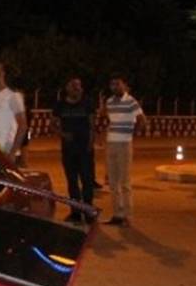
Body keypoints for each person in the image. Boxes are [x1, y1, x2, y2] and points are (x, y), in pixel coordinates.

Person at [52, 76, 97, 222]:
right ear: (67, 88)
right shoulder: (60, 105)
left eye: (79, 85)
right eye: (73, 85)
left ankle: (88, 211)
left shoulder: (87, 103)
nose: (77, 88)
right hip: (68, 149)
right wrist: (63, 134)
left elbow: (92, 125)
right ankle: (75, 212)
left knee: (87, 181)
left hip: (85, 148)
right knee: (72, 182)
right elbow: (52, 125)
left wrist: (90, 144)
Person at [102, 75, 146, 226]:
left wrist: (132, 135)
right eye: (112, 85)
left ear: (124, 86)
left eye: (118, 85)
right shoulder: (109, 102)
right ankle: (117, 214)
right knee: (113, 182)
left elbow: (142, 120)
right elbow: (107, 118)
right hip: (111, 143)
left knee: (125, 182)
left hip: (124, 144)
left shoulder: (131, 102)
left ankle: (127, 216)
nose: (115, 87)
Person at [0, 60, 28, 163]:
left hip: (6, 153)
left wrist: (12, 153)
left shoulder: (13, 96)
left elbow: (23, 125)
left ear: (1, 74)